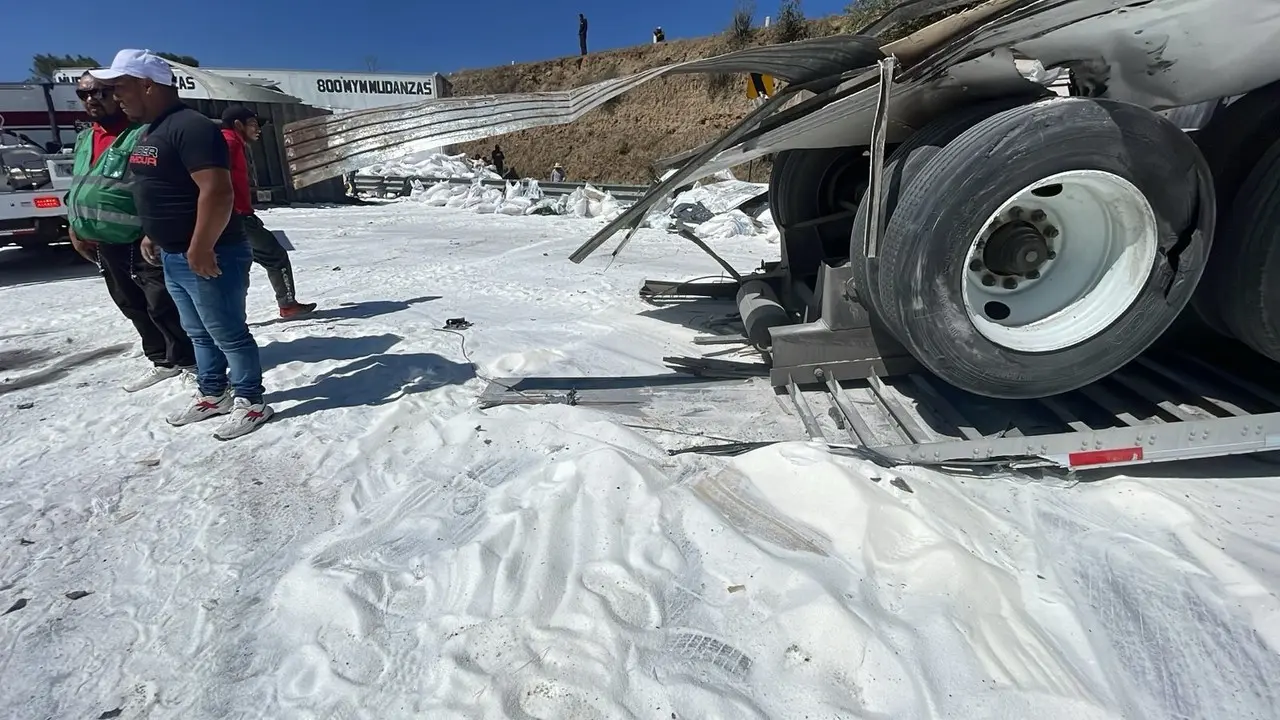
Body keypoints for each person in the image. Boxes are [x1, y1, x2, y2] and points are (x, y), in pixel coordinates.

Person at [92, 49, 272, 439]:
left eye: (120, 87)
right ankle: (213, 393)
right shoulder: (150, 130)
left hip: (211, 252)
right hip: (175, 253)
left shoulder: (191, 127)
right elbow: (160, 190)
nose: (115, 96)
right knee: (197, 331)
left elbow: (217, 191)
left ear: (147, 85)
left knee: (228, 331)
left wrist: (202, 246)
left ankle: (251, 401)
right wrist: (152, 233)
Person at [66, 70, 197, 393]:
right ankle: (161, 359)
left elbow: (158, 185)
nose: (91, 100)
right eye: (84, 94)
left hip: (140, 237)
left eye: (99, 92)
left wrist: (154, 228)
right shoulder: (86, 137)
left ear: (117, 93)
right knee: (129, 303)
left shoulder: (142, 134)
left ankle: (190, 360)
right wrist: (74, 223)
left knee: (161, 302)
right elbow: (82, 183)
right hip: (102, 239)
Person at [220, 106, 317, 319]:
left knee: (236, 264)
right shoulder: (229, 143)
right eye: (253, 124)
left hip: (233, 216)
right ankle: (287, 304)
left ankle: (227, 316)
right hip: (237, 218)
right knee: (275, 256)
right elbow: (213, 178)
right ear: (238, 125)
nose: (258, 130)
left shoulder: (229, 142)